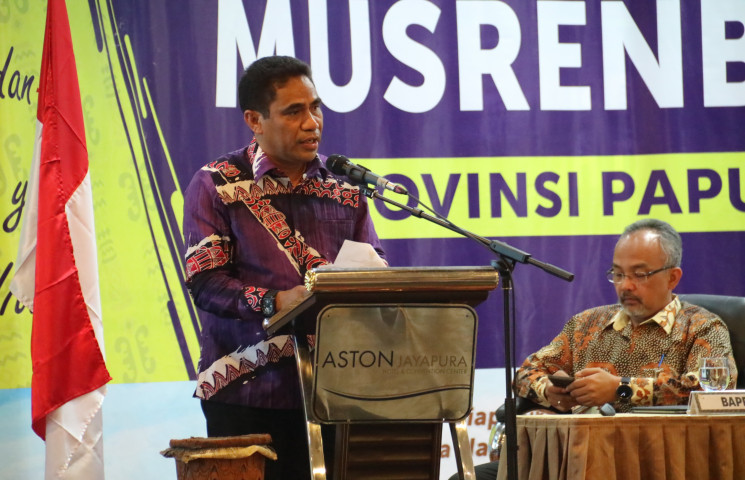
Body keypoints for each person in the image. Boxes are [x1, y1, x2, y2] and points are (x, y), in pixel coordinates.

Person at [182, 55, 385, 480]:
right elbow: (205, 282)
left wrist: (374, 280)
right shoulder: (216, 183)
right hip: (245, 395)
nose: (312, 123)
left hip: (338, 390)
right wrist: (274, 301)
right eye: (294, 112)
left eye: (315, 107)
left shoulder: (344, 186)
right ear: (254, 120)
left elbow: (373, 265)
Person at [454, 218, 737, 480]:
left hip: (654, 460)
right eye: (618, 274)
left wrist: (621, 389)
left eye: (639, 274)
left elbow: (711, 393)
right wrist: (550, 391)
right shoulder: (587, 324)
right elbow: (527, 372)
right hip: (573, 455)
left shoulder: (701, 327)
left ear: (672, 278)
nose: (626, 286)